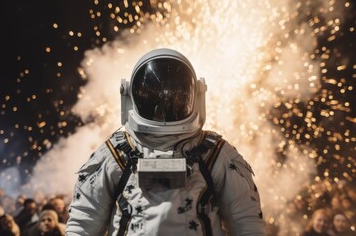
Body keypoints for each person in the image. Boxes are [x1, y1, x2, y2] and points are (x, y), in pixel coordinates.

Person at [66, 48, 265, 235]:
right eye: (155, 97)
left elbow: (246, 222)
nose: (165, 104)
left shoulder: (213, 152)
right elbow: (84, 221)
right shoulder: (118, 152)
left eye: (174, 96)